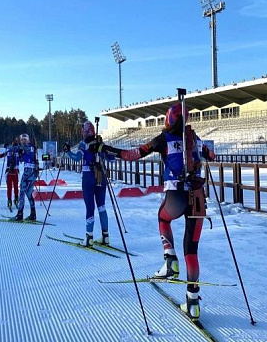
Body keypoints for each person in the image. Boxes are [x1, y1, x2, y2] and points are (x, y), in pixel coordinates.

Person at [89, 103, 215, 319]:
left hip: (176, 194)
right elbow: (211, 156)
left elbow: (133, 154)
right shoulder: (195, 138)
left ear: (169, 119)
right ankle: (193, 302)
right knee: (192, 251)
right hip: (197, 197)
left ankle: (170, 261)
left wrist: (104, 148)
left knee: (163, 218)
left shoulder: (162, 139)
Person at [63, 121, 114, 247]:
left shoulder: (83, 143)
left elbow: (77, 158)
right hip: (100, 176)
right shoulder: (100, 142)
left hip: (88, 176)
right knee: (101, 206)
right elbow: (111, 158)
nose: (82, 133)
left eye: (83, 131)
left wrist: (68, 151)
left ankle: (89, 237)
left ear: (86, 131)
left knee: (90, 207)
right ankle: (105, 236)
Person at [14, 133, 39, 221]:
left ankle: (20, 214)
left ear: (28, 140)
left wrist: (13, 147)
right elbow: (21, 159)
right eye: (22, 140)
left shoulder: (29, 147)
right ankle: (33, 214)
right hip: (31, 172)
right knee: (28, 193)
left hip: (29, 171)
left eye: (25, 139)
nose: (23, 141)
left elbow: (21, 149)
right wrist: (20, 153)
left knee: (22, 192)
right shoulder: (26, 148)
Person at [0, 138, 20, 211]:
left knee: (12, 187)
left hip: (11, 171)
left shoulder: (13, 151)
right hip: (12, 171)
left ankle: (12, 199)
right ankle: (13, 199)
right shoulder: (14, 151)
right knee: (14, 186)